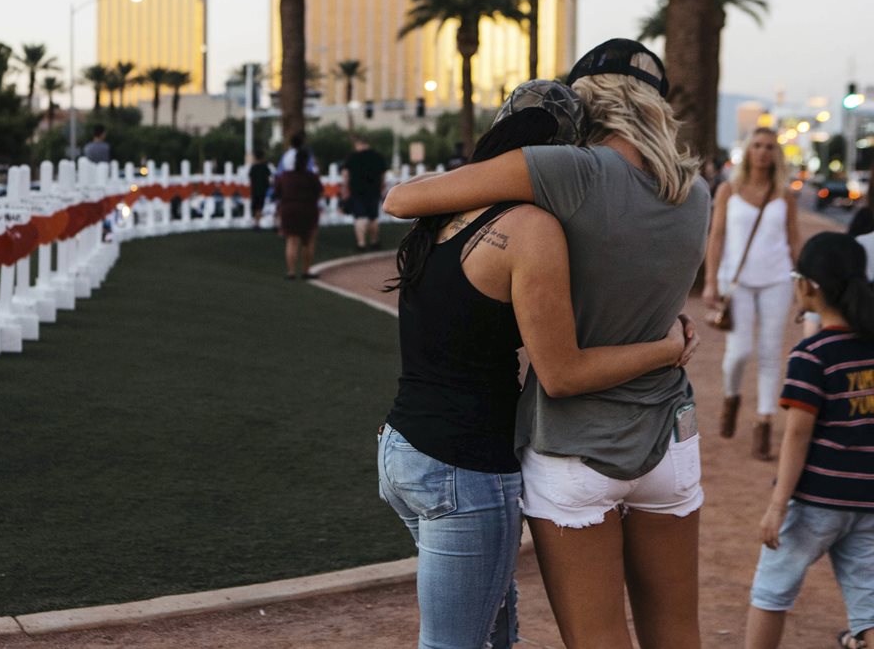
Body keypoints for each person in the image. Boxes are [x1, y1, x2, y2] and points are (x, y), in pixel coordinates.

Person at [384, 38, 710, 649]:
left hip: (576, 443)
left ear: (586, 101)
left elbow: (402, 199)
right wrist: (669, 346)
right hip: (671, 437)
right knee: (677, 633)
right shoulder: (696, 194)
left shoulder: (573, 172)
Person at [744, 233, 874, 649]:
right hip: (867, 499)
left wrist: (777, 505)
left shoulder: (811, 354)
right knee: (868, 609)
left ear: (808, 286)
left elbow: (797, 436)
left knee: (771, 594)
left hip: (814, 501)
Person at [703, 127, 801, 460]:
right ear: (748, 150)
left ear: (776, 153)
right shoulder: (728, 190)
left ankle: (764, 422)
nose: (763, 152)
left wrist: (803, 281)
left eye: (769, 147)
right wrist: (711, 282)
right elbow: (716, 237)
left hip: (777, 278)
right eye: (757, 145)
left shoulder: (784, 194)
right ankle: (731, 398)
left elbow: (793, 240)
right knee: (739, 351)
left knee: (771, 352)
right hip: (737, 281)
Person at [273, 135, 323, 279]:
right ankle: (306, 270)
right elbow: (319, 192)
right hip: (308, 209)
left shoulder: (285, 176)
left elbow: (277, 192)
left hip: (289, 208)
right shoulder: (311, 176)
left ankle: (291, 272)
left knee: (291, 240)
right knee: (308, 241)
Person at [342, 136, 388, 251]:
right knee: (374, 217)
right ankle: (374, 241)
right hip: (374, 190)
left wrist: (345, 189)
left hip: (357, 191)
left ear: (358, 145)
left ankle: (361, 243)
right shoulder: (377, 156)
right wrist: (382, 187)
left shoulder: (352, 157)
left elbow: (345, 174)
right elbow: (383, 175)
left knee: (360, 217)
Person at [248, 148, 272, 229]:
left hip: (255, 190)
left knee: (255, 206)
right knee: (259, 207)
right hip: (262, 190)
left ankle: (256, 222)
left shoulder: (253, 167)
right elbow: (269, 178)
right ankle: (257, 222)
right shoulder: (265, 167)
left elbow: (251, 178)